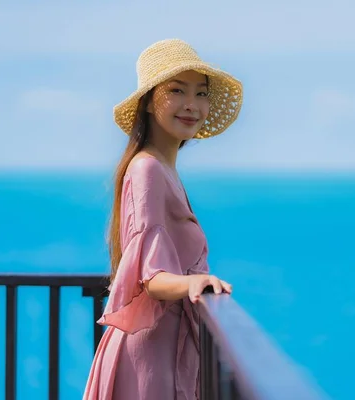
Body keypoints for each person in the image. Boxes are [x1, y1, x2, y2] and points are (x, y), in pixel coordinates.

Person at [83, 38, 243, 400]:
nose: (193, 105)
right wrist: (194, 283)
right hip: (150, 358)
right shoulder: (148, 169)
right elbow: (151, 277)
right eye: (176, 90)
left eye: (201, 94)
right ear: (148, 102)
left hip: (163, 348)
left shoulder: (162, 167)